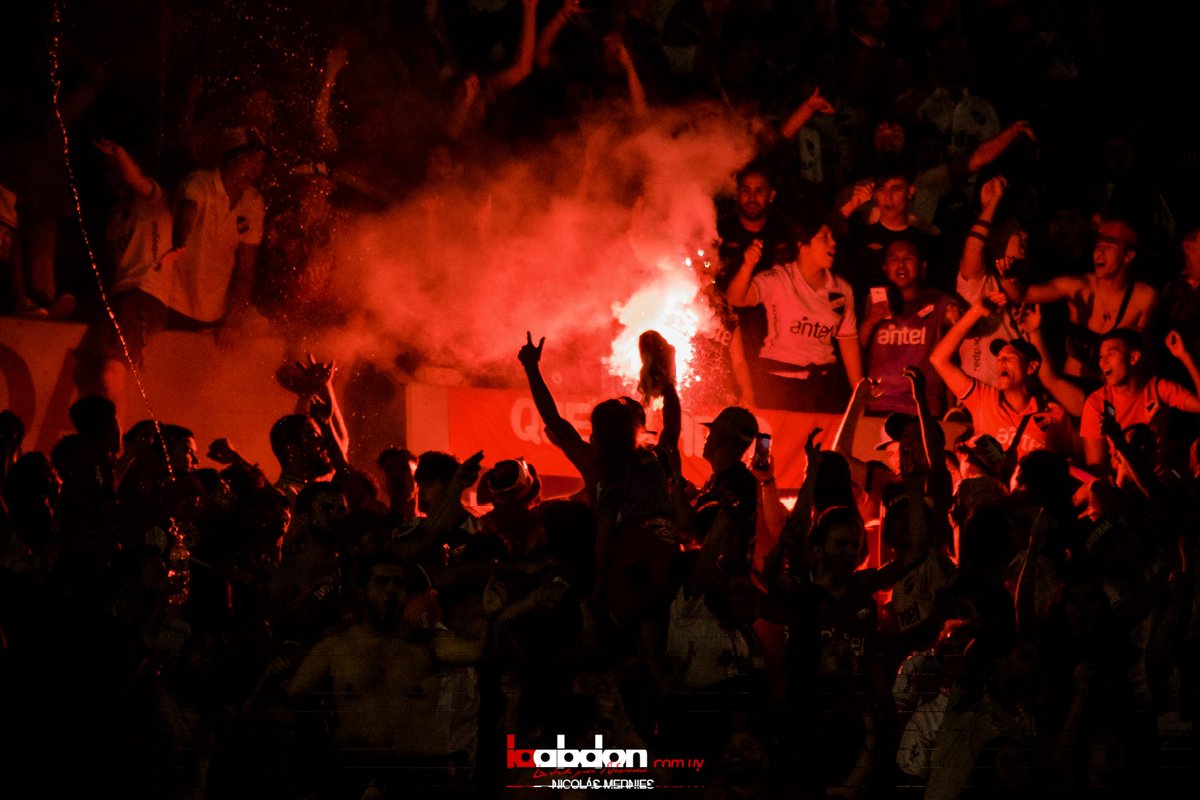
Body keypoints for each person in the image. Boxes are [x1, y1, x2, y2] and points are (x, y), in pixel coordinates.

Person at [726, 209, 863, 412]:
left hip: (822, 387)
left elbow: (848, 340)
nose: (833, 243)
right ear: (802, 245)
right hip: (779, 384)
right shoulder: (778, 279)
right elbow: (736, 298)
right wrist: (748, 265)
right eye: (824, 237)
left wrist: (858, 392)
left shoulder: (841, 290)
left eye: (833, 237)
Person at [72, 138, 175, 404]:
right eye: (108, 170)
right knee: (95, 374)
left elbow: (135, 179)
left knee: (110, 372)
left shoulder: (152, 198)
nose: (114, 176)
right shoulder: (115, 218)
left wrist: (118, 151)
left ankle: (111, 443)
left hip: (144, 296)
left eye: (117, 168)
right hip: (120, 297)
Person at [1000, 218, 1159, 383]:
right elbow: (1022, 295)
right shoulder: (1078, 286)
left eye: (1109, 247)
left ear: (1128, 256)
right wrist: (1008, 278)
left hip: (1115, 387)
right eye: (1098, 246)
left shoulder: (1145, 298)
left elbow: (1145, 355)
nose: (1099, 253)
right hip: (1075, 381)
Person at [930, 294, 1075, 468]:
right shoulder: (983, 399)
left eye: (1009, 357)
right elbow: (939, 359)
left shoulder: (1054, 414)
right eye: (999, 358)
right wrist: (975, 312)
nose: (1001, 362)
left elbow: (1070, 458)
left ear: (1030, 367)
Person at [162, 127, 267, 348]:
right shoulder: (199, 184)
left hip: (214, 317)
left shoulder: (254, 202)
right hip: (173, 305)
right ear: (229, 158)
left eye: (259, 162)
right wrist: (180, 240)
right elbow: (187, 208)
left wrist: (234, 318)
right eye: (248, 159)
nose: (255, 168)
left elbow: (246, 269)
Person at [859, 239, 960, 416]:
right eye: (894, 259)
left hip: (924, 407)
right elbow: (858, 349)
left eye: (908, 259)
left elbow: (954, 354)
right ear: (885, 267)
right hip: (879, 404)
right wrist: (871, 320)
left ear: (922, 266)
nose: (901, 265)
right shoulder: (873, 299)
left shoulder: (941, 302)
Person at [1079, 329, 1200, 475]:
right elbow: (1096, 467)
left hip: (1160, 479)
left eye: (1110, 354)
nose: (1103, 362)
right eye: (1101, 356)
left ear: (1133, 358)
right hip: (1123, 484)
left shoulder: (1157, 388)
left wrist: (1184, 355)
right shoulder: (1096, 403)